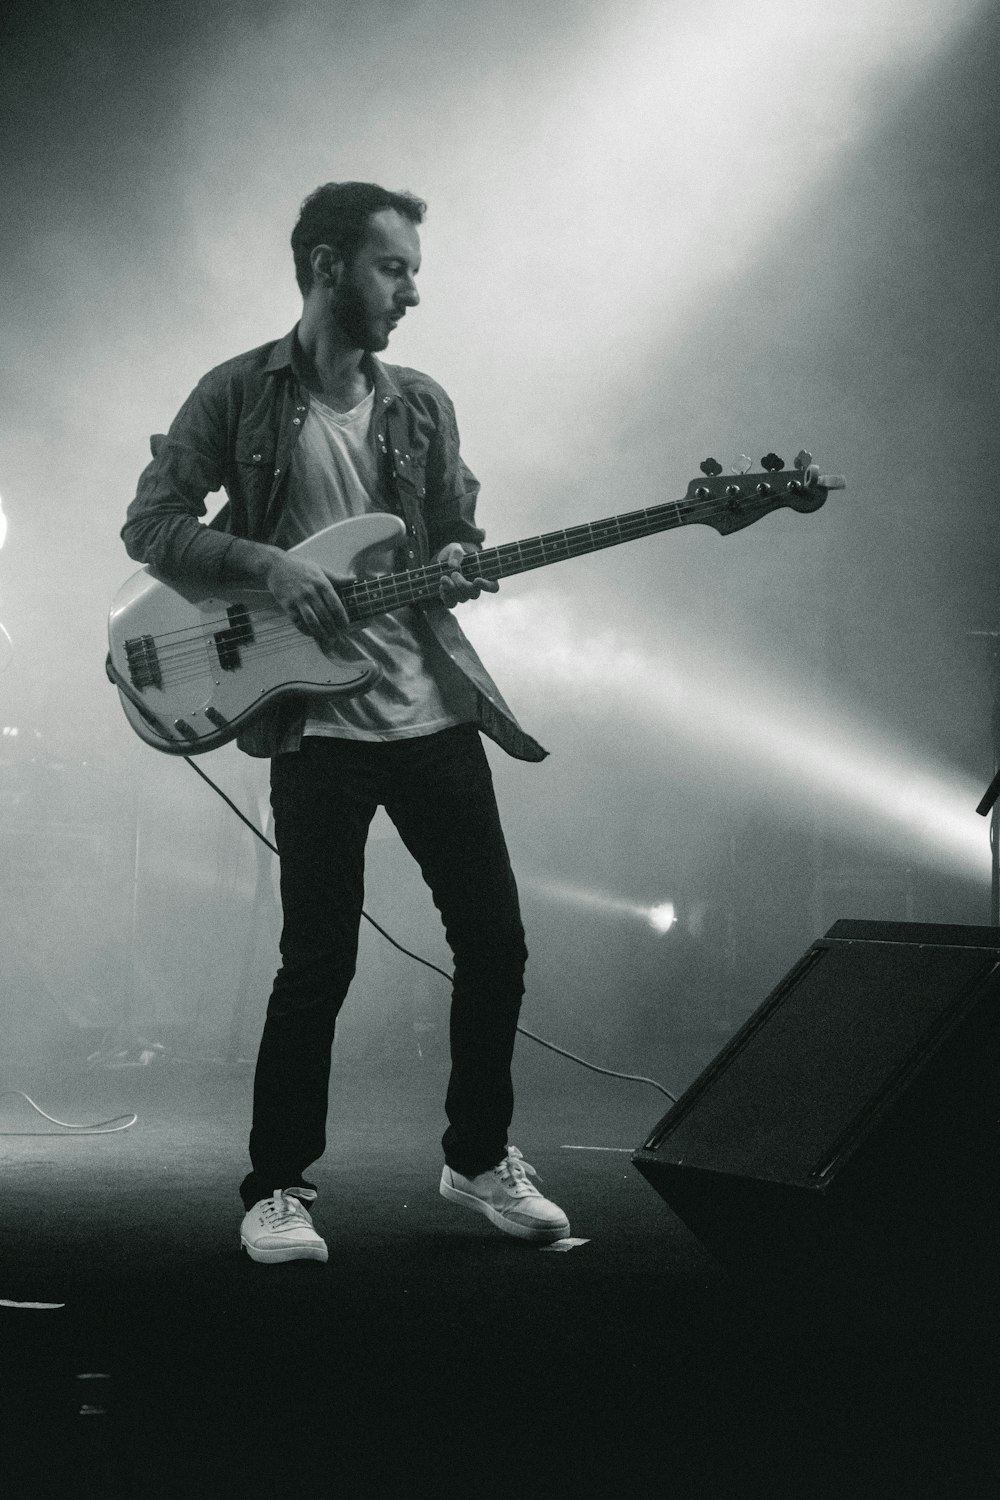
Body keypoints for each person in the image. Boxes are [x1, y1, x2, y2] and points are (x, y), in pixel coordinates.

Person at [121, 181, 569, 1262]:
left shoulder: (420, 402)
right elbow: (151, 525)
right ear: (327, 267)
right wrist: (269, 566)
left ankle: (476, 1161)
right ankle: (277, 1187)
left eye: (411, 268)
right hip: (313, 728)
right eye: (393, 267)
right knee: (315, 961)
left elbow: (455, 527)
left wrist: (460, 559)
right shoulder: (235, 395)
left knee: (497, 945)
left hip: (430, 713)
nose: (413, 290)